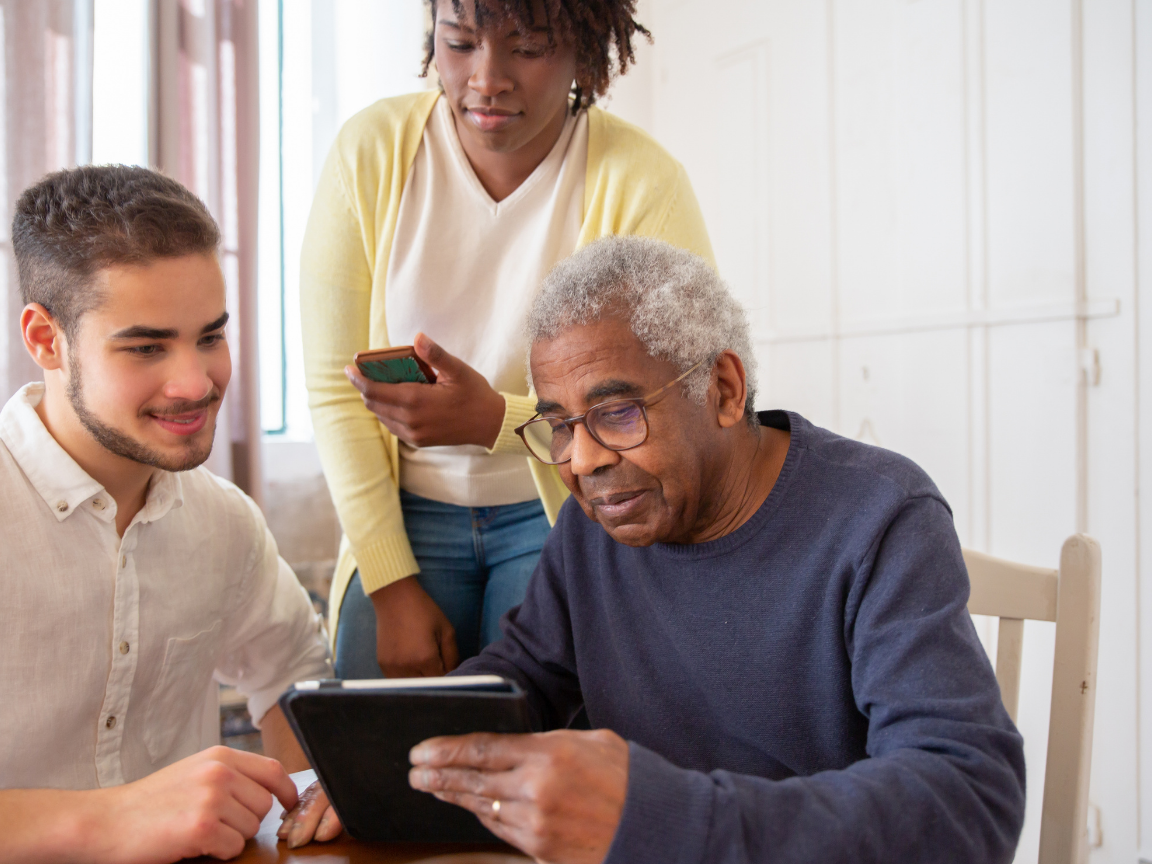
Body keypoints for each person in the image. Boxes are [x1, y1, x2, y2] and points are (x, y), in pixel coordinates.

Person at [284, 235, 1028, 860]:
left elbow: (967, 794)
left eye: (615, 412)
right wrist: (387, 772)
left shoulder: (878, 517)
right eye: (559, 424)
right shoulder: (601, 518)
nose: (581, 460)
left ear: (725, 389)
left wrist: (663, 816)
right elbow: (522, 679)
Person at [300, 0, 713, 681]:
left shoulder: (641, 182)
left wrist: (497, 419)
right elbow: (332, 386)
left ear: (584, 50)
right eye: (459, 43)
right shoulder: (371, 153)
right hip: (400, 510)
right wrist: (390, 584)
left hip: (561, 509)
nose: (486, 79)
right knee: (372, 763)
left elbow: (675, 401)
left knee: (534, 750)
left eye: (527, 47)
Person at [0, 165, 335, 863]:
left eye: (210, 336)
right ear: (44, 340)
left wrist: (317, 799)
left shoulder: (224, 525)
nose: (196, 382)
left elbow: (294, 678)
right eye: (146, 347)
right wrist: (111, 821)